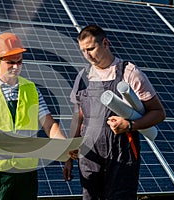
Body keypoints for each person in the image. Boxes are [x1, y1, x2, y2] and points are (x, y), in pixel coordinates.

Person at [63, 25, 165, 200]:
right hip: (89, 155)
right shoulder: (83, 77)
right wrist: (68, 156)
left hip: (121, 155)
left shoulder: (129, 73)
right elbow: (78, 116)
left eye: (91, 48)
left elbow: (158, 112)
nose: (87, 55)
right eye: (83, 51)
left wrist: (130, 124)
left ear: (105, 43)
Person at [0, 32, 67, 200]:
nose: (16, 67)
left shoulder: (32, 90)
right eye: (10, 62)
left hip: (25, 175)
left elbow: (48, 123)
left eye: (19, 62)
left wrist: (62, 144)